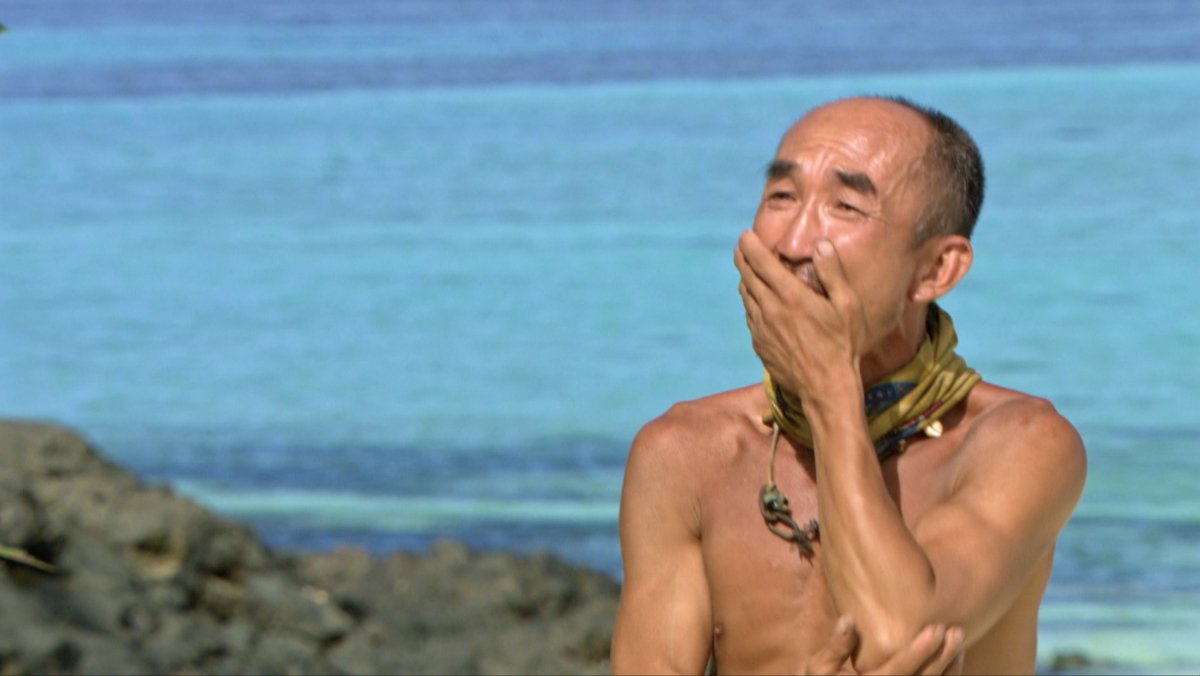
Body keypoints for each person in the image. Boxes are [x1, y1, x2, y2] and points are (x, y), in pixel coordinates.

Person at [611, 96, 1087, 675]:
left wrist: (829, 389)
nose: (792, 243)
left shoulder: (1020, 444)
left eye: (846, 206)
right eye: (781, 196)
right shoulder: (687, 453)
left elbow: (897, 636)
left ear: (936, 270)